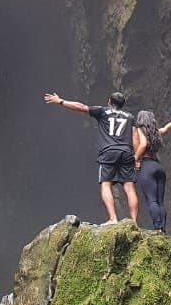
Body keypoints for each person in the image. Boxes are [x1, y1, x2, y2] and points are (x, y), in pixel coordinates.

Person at [44, 90, 139, 225]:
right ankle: (134, 222)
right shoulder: (130, 117)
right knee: (129, 187)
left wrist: (61, 101)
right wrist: (136, 157)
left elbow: (81, 107)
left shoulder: (103, 111)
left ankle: (113, 218)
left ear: (109, 102)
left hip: (108, 152)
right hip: (126, 152)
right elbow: (135, 138)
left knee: (106, 184)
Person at [132, 110, 171, 232]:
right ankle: (163, 229)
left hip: (147, 166)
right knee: (160, 201)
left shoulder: (138, 130)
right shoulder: (155, 132)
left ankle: (157, 228)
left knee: (152, 200)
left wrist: (135, 158)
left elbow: (143, 144)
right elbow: (165, 129)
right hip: (158, 167)